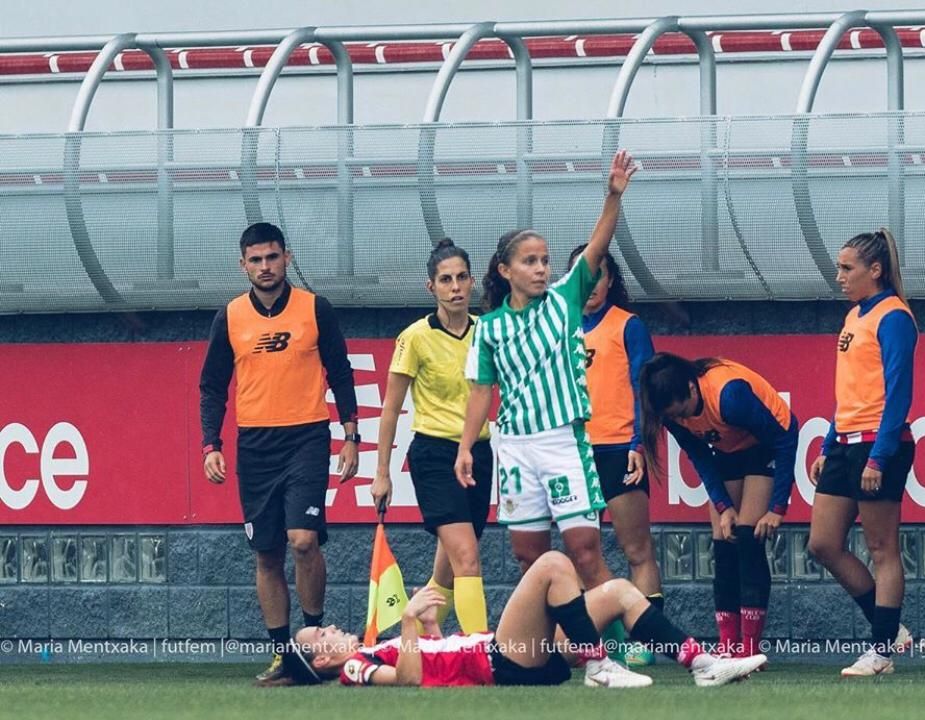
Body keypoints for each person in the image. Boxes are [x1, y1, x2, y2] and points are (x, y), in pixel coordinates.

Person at [452, 151, 636, 658]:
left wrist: (614, 196)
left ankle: (616, 649)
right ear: (505, 270)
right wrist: (467, 447)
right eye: (529, 261)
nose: (540, 269)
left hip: (562, 442)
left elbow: (597, 248)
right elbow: (482, 391)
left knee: (584, 550)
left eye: (544, 260)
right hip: (513, 448)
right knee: (529, 556)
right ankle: (551, 648)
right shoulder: (487, 328)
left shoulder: (564, 301)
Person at [199, 222, 360, 682]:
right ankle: (283, 656)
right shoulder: (229, 317)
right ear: (243, 264)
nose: (265, 267)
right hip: (255, 446)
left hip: (307, 437)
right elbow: (212, 386)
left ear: (286, 258)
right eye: (256, 259)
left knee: (303, 541)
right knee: (267, 553)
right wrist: (211, 443)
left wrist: (351, 434)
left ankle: (314, 646)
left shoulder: (315, 308)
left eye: (272, 257)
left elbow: (340, 371)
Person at [294, 551, 767, 688]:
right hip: (501, 663)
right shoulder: (356, 667)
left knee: (620, 591)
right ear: (321, 662)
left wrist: (432, 626)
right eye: (322, 635)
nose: (332, 628)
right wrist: (412, 624)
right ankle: (599, 666)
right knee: (551, 565)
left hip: (509, 655)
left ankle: (700, 665)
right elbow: (410, 680)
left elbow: (434, 663)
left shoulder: (370, 648)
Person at [807, 228, 917, 677]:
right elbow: (851, 392)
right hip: (846, 442)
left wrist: (878, 458)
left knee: (881, 548)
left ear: (875, 270)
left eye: (847, 268)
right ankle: (889, 628)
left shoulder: (893, 317)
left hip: (879, 445)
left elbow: (897, 395)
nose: (839, 276)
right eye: (839, 267)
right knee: (823, 544)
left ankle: (881, 652)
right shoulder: (855, 316)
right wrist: (830, 443)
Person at [639, 353, 798, 659]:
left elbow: (785, 437)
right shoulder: (671, 414)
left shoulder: (729, 396)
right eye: (674, 416)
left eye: (683, 410)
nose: (682, 419)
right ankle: (728, 646)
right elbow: (700, 456)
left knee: (749, 539)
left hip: (763, 446)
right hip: (727, 450)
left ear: (691, 388)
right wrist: (723, 506)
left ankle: (750, 649)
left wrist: (777, 507)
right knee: (724, 544)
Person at [370, 238, 492, 634]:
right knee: (468, 557)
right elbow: (390, 408)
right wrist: (382, 472)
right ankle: (479, 650)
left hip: (479, 453)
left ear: (472, 282)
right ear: (431, 287)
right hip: (435, 456)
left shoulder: (488, 331)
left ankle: (421, 640)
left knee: (452, 566)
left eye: (461, 278)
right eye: (445, 280)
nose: (455, 287)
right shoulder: (414, 337)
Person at [566, 244, 662, 666]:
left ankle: (651, 640)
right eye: (582, 277)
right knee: (585, 554)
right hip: (573, 454)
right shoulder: (559, 327)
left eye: (598, 275)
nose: (591, 285)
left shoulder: (629, 325)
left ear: (611, 281)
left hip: (620, 450)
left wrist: (638, 445)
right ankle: (611, 640)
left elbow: (647, 390)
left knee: (636, 549)